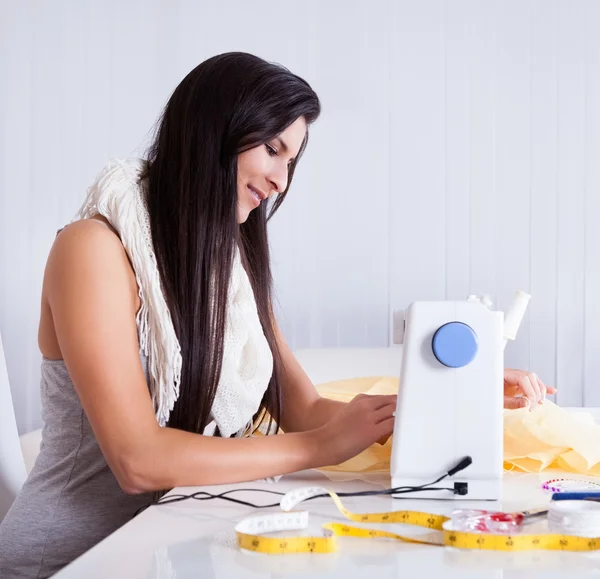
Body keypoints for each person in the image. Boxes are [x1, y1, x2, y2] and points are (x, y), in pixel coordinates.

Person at [0, 52, 554, 578]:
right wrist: (319, 448)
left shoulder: (229, 266)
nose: (280, 181)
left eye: (291, 160)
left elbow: (303, 408)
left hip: (166, 547)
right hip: (67, 561)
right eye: (271, 149)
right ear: (214, 132)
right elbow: (137, 459)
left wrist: (451, 396)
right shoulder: (93, 249)